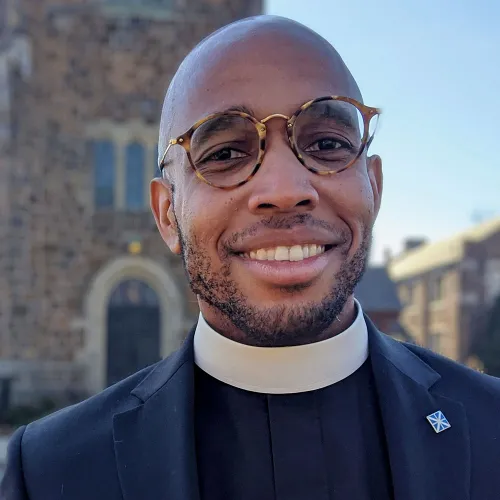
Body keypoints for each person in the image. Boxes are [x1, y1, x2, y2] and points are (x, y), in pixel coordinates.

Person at [2, 15, 500, 500]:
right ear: (167, 214)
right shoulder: (50, 472)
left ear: (374, 186)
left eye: (327, 144)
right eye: (224, 154)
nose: (284, 190)